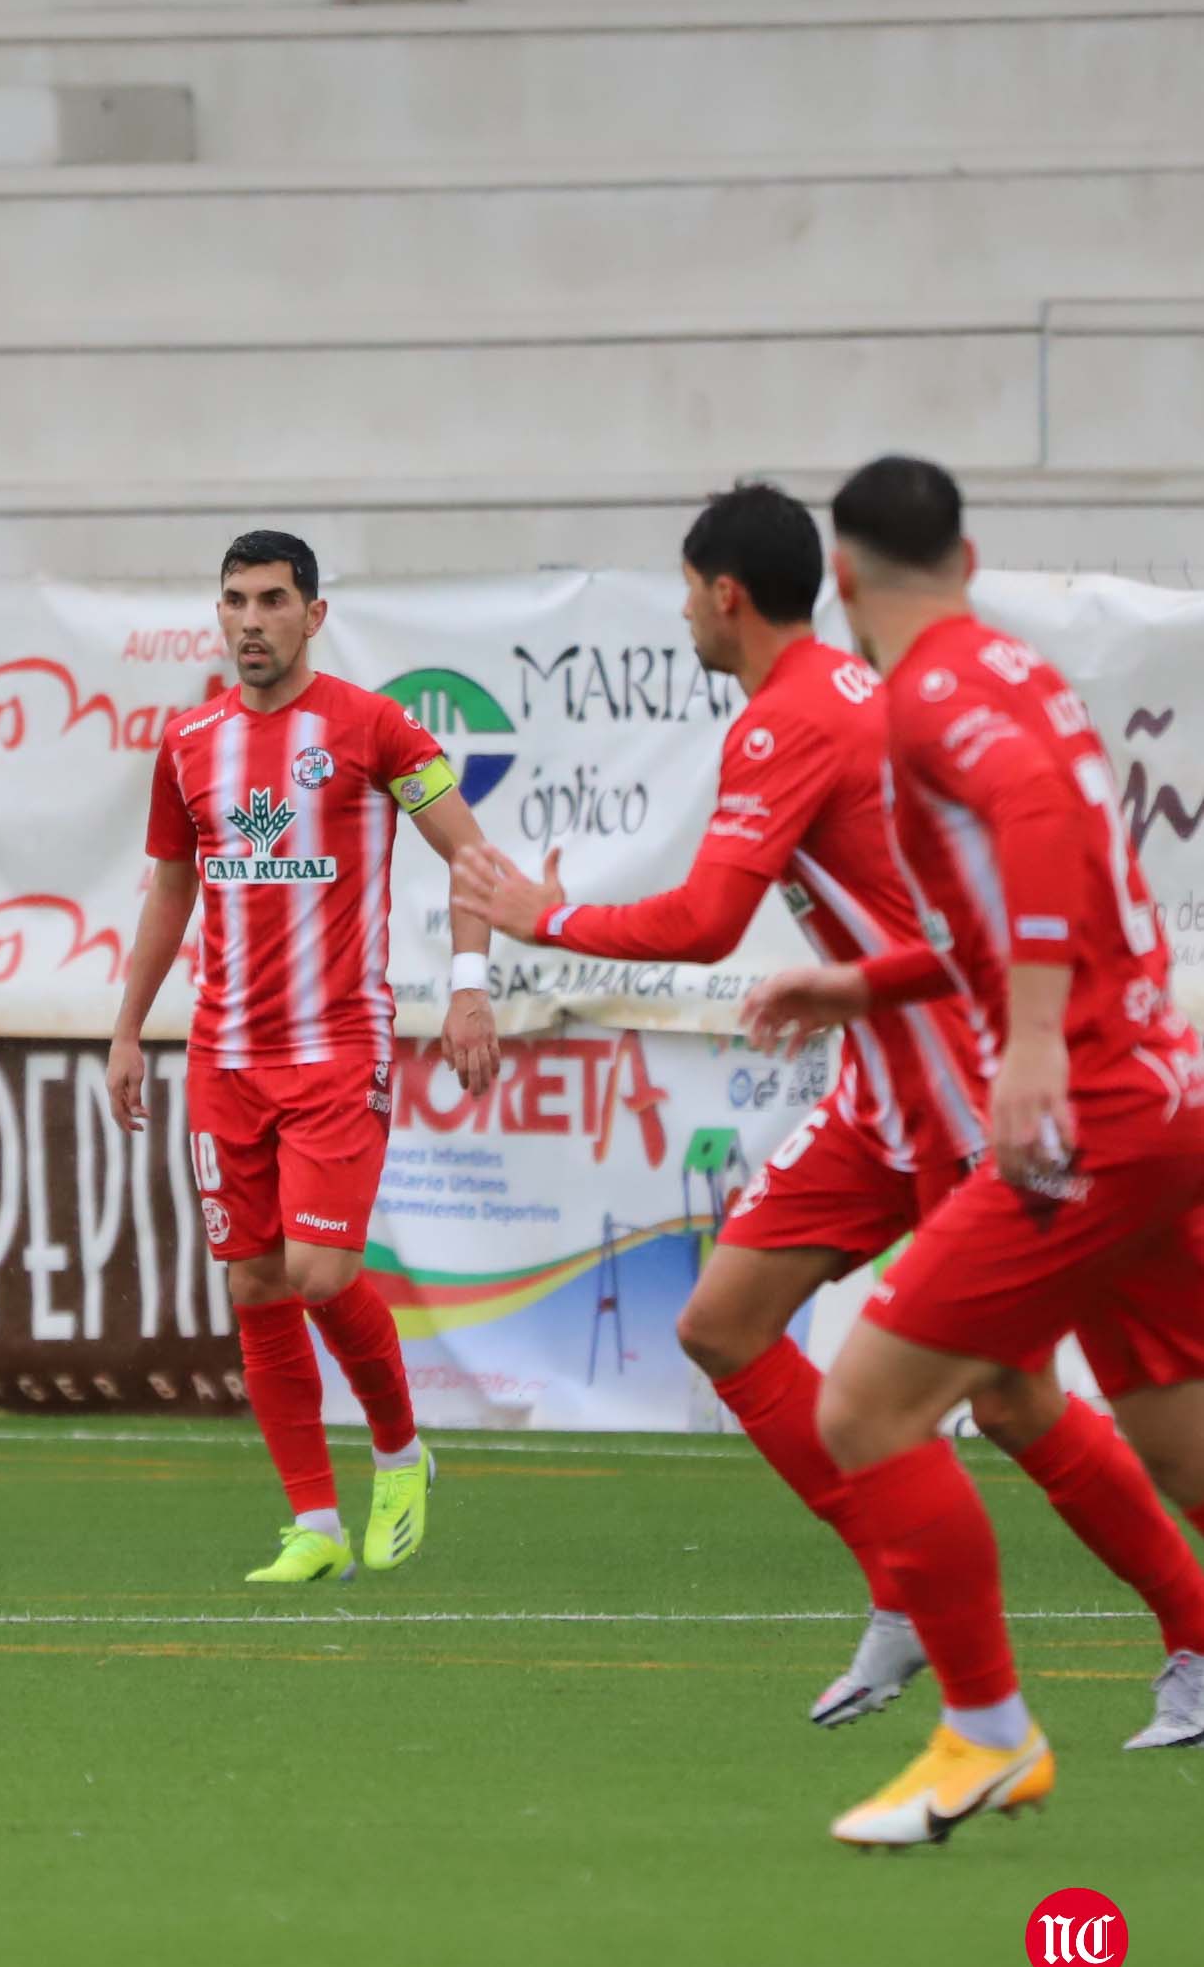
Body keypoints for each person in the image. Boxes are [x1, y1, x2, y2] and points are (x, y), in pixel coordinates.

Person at [458, 485, 1204, 1740]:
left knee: (1016, 1394)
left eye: (688, 588)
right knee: (725, 1322)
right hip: (884, 1077)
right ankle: (909, 1588)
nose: (685, 609)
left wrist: (552, 922)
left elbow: (701, 922)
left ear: (724, 592)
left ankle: (1182, 1634)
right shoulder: (853, 698)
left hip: (966, 1079)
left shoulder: (793, 714)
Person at [741, 456, 1204, 1845]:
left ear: (838, 575)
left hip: (1086, 1115)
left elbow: (1046, 829)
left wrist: (1031, 1042)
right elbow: (1005, 887)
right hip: (1158, 1097)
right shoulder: (1013, 664)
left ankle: (982, 1734)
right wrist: (857, 983)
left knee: (863, 1405)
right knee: (1178, 1445)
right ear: (968, 551)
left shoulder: (928, 695)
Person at [103, 531, 502, 1585]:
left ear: (313, 615)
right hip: (223, 1057)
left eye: (272, 600)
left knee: (321, 1273)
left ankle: (403, 1454)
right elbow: (171, 891)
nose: (249, 621)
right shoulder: (188, 743)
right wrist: (127, 1028)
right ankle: (314, 1522)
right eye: (234, 600)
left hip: (337, 1050)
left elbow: (471, 856)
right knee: (253, 1288)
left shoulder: (374, 729)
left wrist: (470, 988)